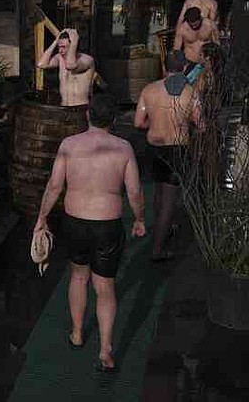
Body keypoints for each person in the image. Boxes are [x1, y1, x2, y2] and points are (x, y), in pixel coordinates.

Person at [33, 94, 146, 373]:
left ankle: (77, 333)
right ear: (115, 119)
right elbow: (134, 191)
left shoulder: (69, 145)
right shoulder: (123, 148)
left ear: (88, 115)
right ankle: (106, 348)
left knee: (79, 276)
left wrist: (42, 217)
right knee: (105, 287)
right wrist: (140, 218)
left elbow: (54, 186)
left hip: (75, 222)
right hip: (107, 224)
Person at [134, 62, 200, 262]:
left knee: (159, 191)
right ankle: (158, 249)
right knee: (169, 201)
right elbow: (201, 123)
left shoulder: (149, 89)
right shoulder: (190, 92)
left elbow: (138, 123)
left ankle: (161, 229)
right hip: (176, 149)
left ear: (165, 67)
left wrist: (155, 123)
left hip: (154, 148)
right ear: (184, 67)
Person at [36, 28, 95, 107]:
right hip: (64, 108)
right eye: (59, 47)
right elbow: (41, 64)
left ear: (74, 45)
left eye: (63, 47)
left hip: (81, 109)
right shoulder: (60, 58)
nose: (60, 50)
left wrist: (74, 42)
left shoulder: (86, 59)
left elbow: (70, 66)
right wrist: (56, 41)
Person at [173, 7, 219, 72]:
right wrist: (182, 65)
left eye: (196, 24)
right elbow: (177, 50)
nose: (194, 27)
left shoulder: (210, 26)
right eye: (191, 25)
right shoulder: (182, 29)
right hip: (189, 63)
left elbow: (216, 44)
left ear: (200, 18)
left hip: (207, 62)